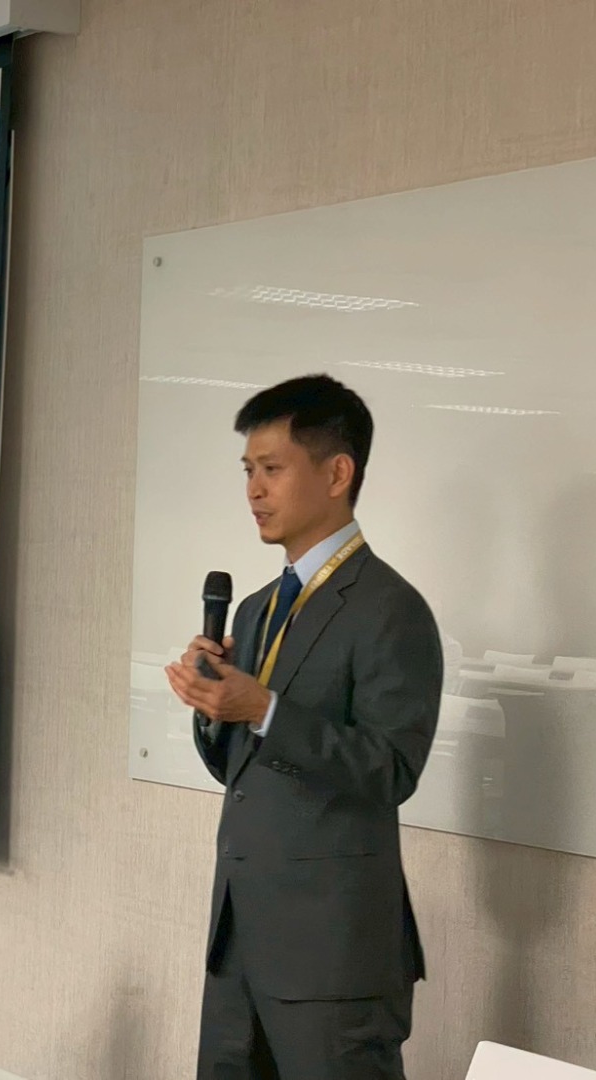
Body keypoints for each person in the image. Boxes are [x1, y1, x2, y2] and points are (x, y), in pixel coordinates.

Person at [163, 375, 442, 1080]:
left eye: (272, 469)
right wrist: (213, 709)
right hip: (239, 948)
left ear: (337, 474)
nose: (254, 490)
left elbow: (391, 768)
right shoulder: (256, 609)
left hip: (334, 962)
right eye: (247, 471)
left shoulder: (390, 609)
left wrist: (263, 709)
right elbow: (244, 771)